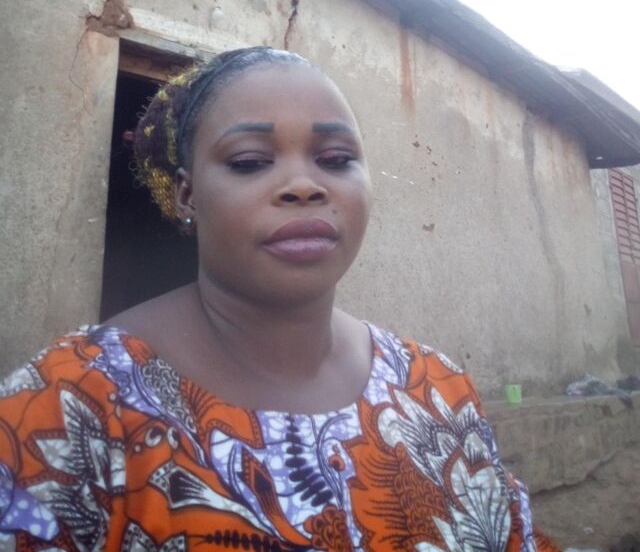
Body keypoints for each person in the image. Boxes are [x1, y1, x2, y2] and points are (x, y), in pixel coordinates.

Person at [0, 47, 557, 551]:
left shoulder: (438, 391)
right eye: (249, 161)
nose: (305, 185)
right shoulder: (67, 407)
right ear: (188, 195)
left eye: (335, 159)